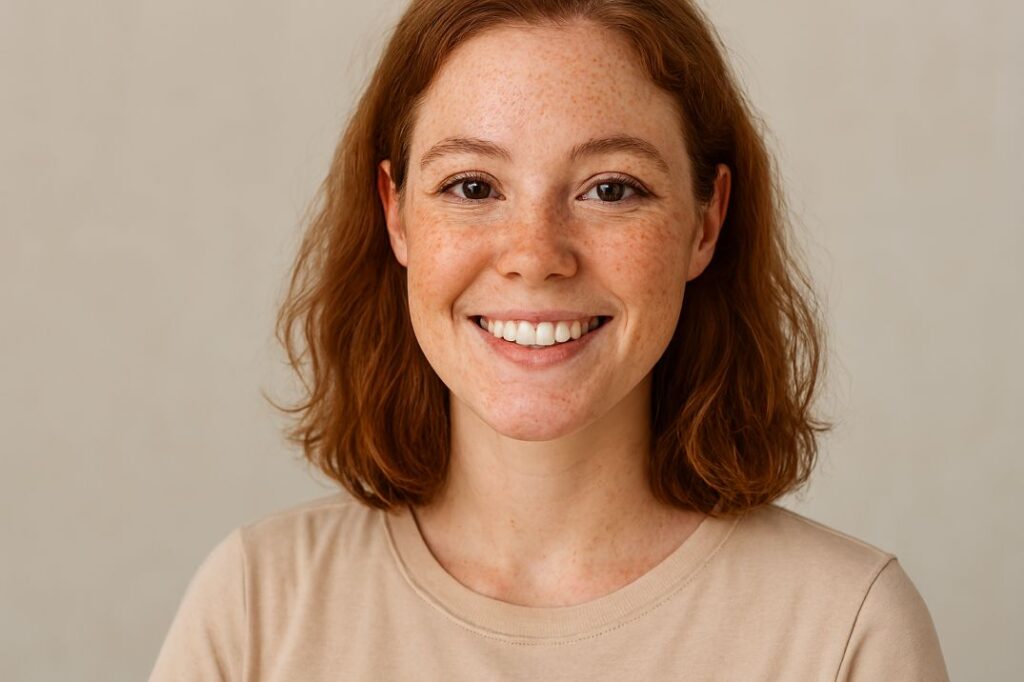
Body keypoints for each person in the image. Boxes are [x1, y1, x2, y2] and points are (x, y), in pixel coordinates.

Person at [150, 0, 949, 679]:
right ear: (396, 212)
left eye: (610, 189)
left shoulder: (846, 631)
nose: (534, 256)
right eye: (472, 186)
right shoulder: (257, 607)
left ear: (706, 221)